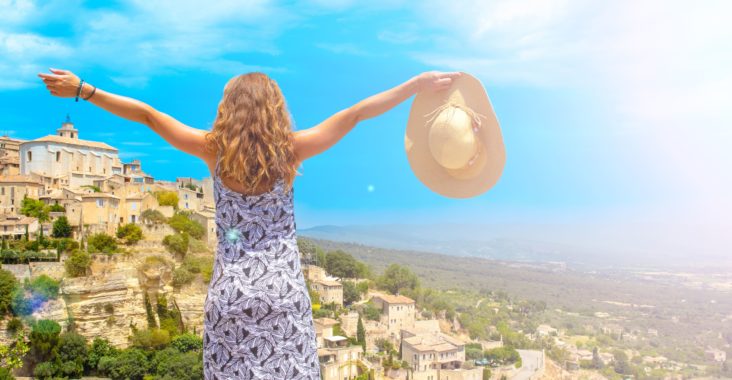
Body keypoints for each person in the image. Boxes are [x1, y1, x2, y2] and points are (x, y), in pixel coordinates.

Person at [38, 67, 461, 379]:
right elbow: (354, 114)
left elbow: (148, 115)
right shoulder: (291, 151)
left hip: (231, 294)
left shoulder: (213, 150)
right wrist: (413, 87)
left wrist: (83, 90)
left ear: (228, 110)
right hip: (283, 293)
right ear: (275, 110)